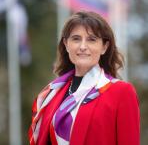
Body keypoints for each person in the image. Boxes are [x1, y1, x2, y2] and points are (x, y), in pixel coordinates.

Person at [28, 11, 140, 145]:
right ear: (66, 44)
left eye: (91, 39)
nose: (82, 47)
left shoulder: (121, 92)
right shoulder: (51, 95)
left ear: (104, 46)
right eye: (76, 39)